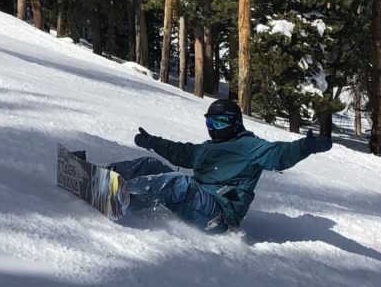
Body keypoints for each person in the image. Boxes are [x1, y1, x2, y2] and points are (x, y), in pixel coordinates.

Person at [110, 96, 333, 233]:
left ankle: (119, 198)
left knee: (180, 183)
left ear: (234, 123)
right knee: (150, 164)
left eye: (219, 121)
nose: (213, 127)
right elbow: (180, 152)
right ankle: (101, 176)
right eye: (209, 121)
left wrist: (306, 146)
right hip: (197, 200)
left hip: (218, 216)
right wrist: (152, 142)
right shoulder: (209, 147)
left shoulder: (250, 146)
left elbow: (279, 155)